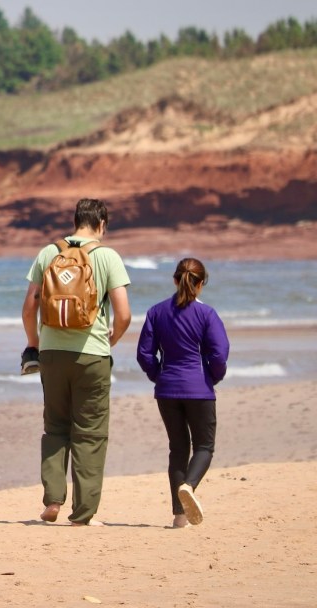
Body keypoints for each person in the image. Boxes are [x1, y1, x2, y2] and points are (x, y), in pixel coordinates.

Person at [21, 198, 131, 526]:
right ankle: (83, 514)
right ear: (101, 224)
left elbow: (29, 307)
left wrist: (34, 345)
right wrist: (110, 340)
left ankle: (53, 500)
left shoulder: (48, 253)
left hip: (52, 354)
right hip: (92, 355)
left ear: (75, 221)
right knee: (90, 433)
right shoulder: (107, 256)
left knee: (55, 427)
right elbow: (124, 314)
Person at [136, 257, 229, 528]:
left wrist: (159, 376)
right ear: (201, 284)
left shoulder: (156, 312)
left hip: (167, 390)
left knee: (178, 448)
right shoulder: (207, 314)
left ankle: (179, 517)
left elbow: (144, 354)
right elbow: (219, 354)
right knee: (204, 446)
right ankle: (189, 486)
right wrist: (212, 378)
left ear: (175, 280)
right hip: (199, 389)